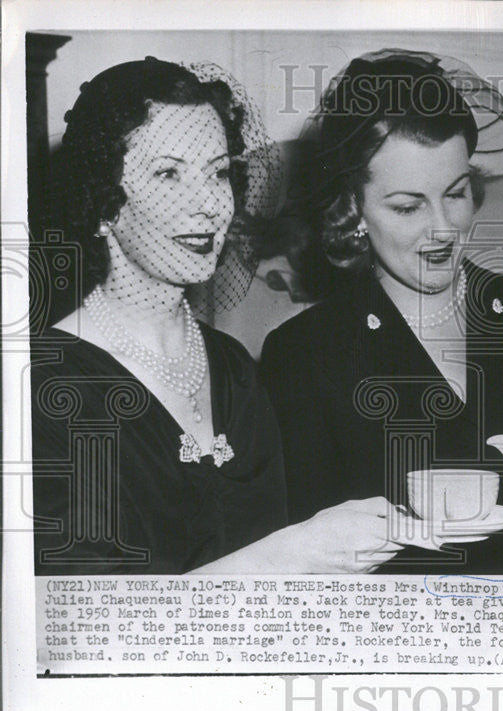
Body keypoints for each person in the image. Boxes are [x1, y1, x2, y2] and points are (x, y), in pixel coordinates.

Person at [32, 57, 399, 575]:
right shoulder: (43, 386)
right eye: (168, 174)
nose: (207, 204)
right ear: (104, 202)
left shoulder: (233, 368)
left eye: (218, 173)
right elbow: (82, 633)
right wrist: (292, 555)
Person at [259, 50, 503, 575]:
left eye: (456, 193)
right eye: (408, 206)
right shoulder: (304, 355)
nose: (444, 229)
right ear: (352, 210)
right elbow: (313, 565)